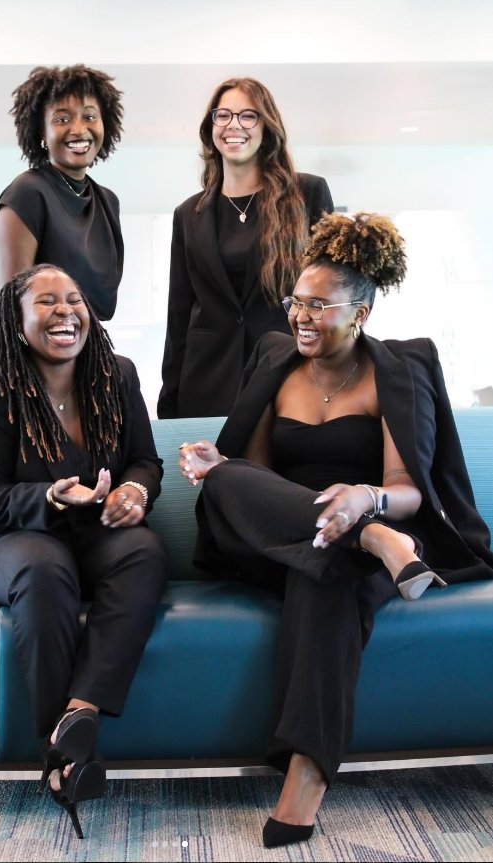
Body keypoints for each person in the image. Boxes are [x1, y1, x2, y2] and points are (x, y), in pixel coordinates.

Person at [177, 212, 493, 848]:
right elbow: (255, 478)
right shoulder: (275, 360)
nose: (300, 316)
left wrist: (366, 503)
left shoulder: (399, 370)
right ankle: (370, 543)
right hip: (283, 532)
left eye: (319, 305)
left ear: (361, 314)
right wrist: (220, 469)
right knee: (228, 475)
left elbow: (408, 490)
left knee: (325, 573)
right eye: (296, 301)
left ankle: (306, 776)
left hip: (366, 526)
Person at [0, 263, 168, 838]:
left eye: (74, 299)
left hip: (96, 538)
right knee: (45, 568)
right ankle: (63, 761)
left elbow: (145, 461)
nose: (65, 311)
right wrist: (50, 495)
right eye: (47, 301)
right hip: (14, 544)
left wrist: (134, 491)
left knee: (144, 551)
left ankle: (80, 714)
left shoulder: (117, 376)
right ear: (17, 319)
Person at [157, 76, 334, 419]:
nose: (233, 125)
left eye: (247, 115)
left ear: (266, 126)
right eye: (222, 115)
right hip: (207, 381)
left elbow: (332, 296)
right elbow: (178, 314)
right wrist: (170, 401)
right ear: (210, 127)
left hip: (287, 372)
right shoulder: (188, 214)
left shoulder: (307, 194)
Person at [0, 65, 124, 321]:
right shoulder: (27, 193)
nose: (78, 129)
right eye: (62, 119)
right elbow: (10, 306)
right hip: (36, 356)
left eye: (89, 116)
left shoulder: (108, 201)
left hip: (84, 350)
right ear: (42, 131)